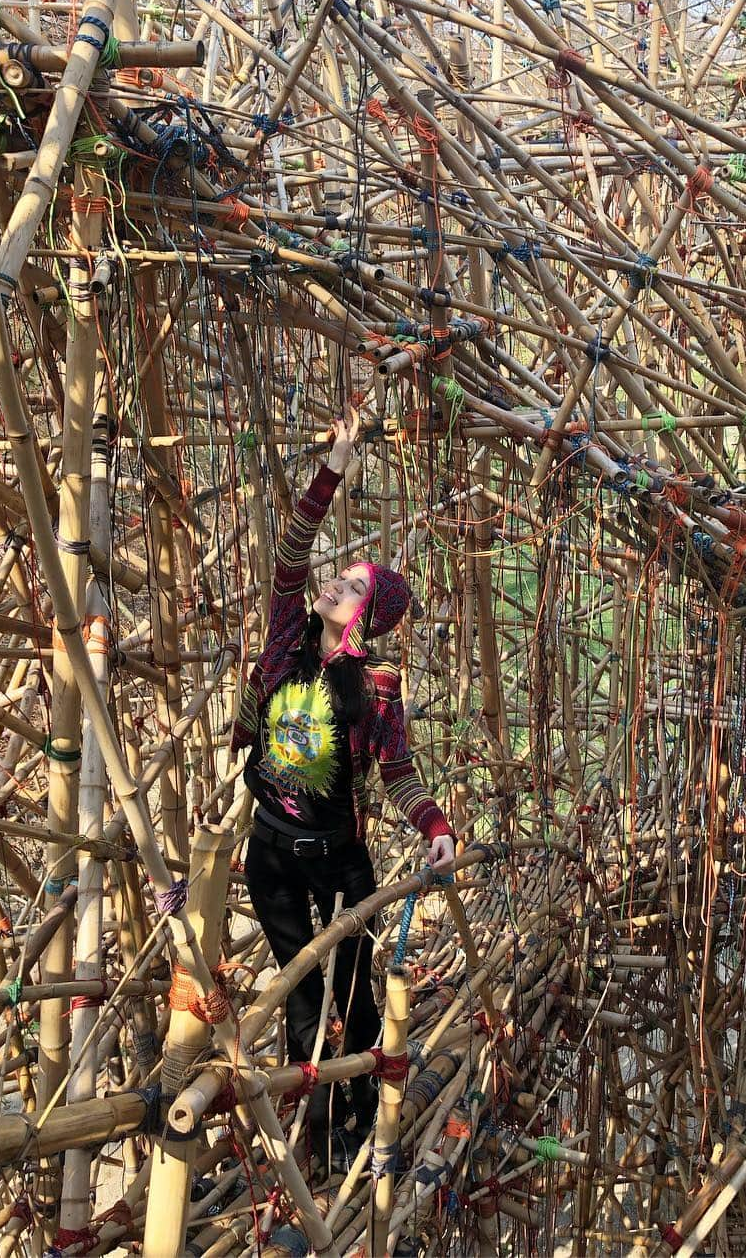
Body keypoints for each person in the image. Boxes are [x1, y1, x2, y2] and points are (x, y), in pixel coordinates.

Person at [230, 409, 456, 1173]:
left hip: (341, 858)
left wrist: (435, 825)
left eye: (353, 585)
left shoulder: (378, 687)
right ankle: (315, 1138)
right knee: (300, 998)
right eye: (343, 574)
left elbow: (397, 772)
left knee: (358, 996)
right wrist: (334, 467)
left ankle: (361, 1123)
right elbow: (292, 554)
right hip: (273, 853)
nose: (336, 580)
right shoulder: (284, 636)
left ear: (368, 617)